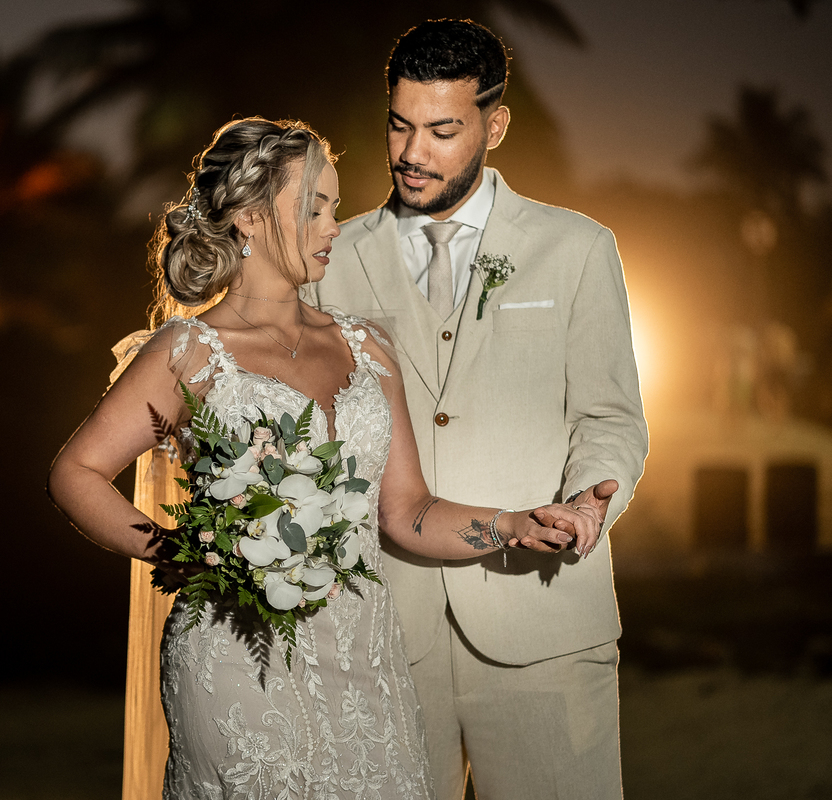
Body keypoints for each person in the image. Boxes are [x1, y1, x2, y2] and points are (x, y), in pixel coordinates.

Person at [48, 117, 604, 797]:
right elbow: (74, 473)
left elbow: (408, 513)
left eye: (335, 208)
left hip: (366, 655)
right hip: (233, 661)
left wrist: (513, 524)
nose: (332, 225)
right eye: (313, 207)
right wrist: (184, 555)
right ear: (250, 218)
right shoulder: (186, 351)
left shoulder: (368, 345)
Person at [305, 19, 650, 800]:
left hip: (545, 623)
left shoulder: (579, 248)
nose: (411, 152)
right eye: (399, 125)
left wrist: (592, 497)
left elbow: (611, 418)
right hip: (383, 632)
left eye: (441, 129)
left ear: (495, 125)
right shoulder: (331, 260)